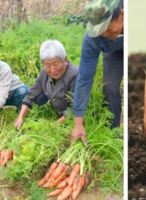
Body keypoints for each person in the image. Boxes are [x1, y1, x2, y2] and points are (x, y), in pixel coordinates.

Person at [71, 0, 124, 144]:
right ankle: (113, 135)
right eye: (99, 31)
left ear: (122, 15)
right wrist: (78, 124)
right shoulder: (93, 40)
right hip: (114, 54)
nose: (104, 34)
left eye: (106, 29)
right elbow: (84, 79)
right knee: (109, 88)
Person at [15, 40, 79, 129]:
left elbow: (75, 108)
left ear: (65, 59)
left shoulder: (75, 75)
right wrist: (20, 117)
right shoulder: (44, 73)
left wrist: (53, 126)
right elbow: (30, 96)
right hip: (58, 110)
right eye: (48, 65)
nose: (52, 70)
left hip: (72, 115)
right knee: (37, 96)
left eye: (55, 63)